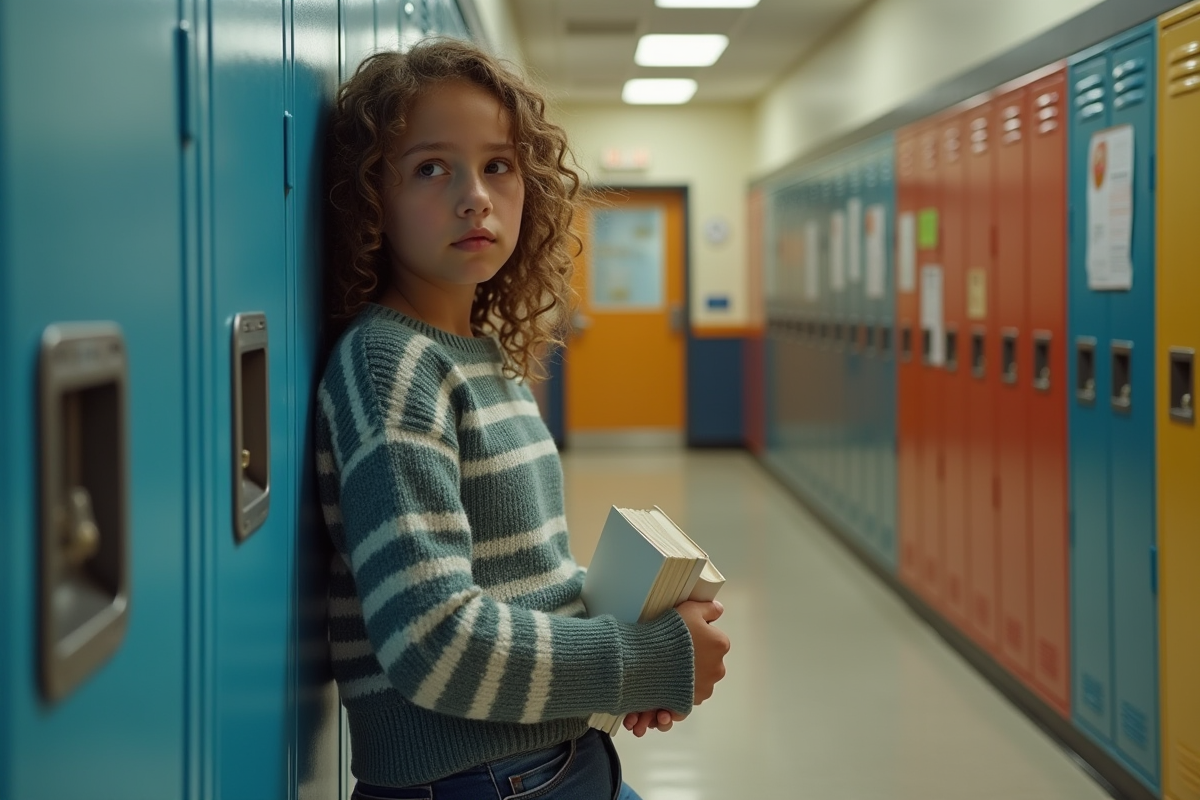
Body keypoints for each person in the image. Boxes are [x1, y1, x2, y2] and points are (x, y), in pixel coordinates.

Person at [317, 38, 731, 800]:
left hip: (553, 760)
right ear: (373, 194)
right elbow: (433, 642)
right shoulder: (390, 365)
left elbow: (520, 581)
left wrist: (642, 624)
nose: (474, 195)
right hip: (483, 780)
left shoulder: (480, 355)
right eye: (431, 168)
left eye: (498, 165)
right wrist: (641, 658)